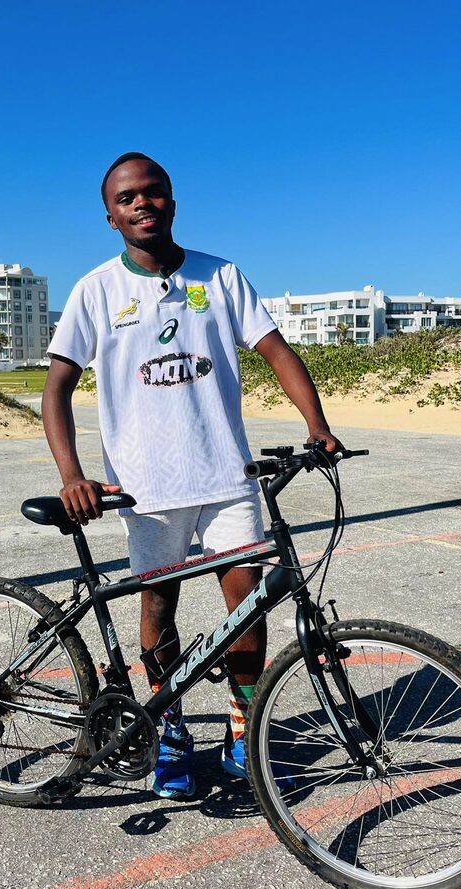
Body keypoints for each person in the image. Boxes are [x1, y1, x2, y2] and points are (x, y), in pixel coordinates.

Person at [42, 152, 342, 799]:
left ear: (173, 202)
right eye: (127, 198)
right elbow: (56, 389)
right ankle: (170, 731)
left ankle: (244, 731)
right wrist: (73, 475)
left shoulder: (220, 275)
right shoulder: (95, 291)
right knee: (159, 605)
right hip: (145, 489)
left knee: (248, 603)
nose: (142, 204)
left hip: (227, 478)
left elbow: (275, 350)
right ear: (110, 215)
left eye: (153, 193)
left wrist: (317, 424)